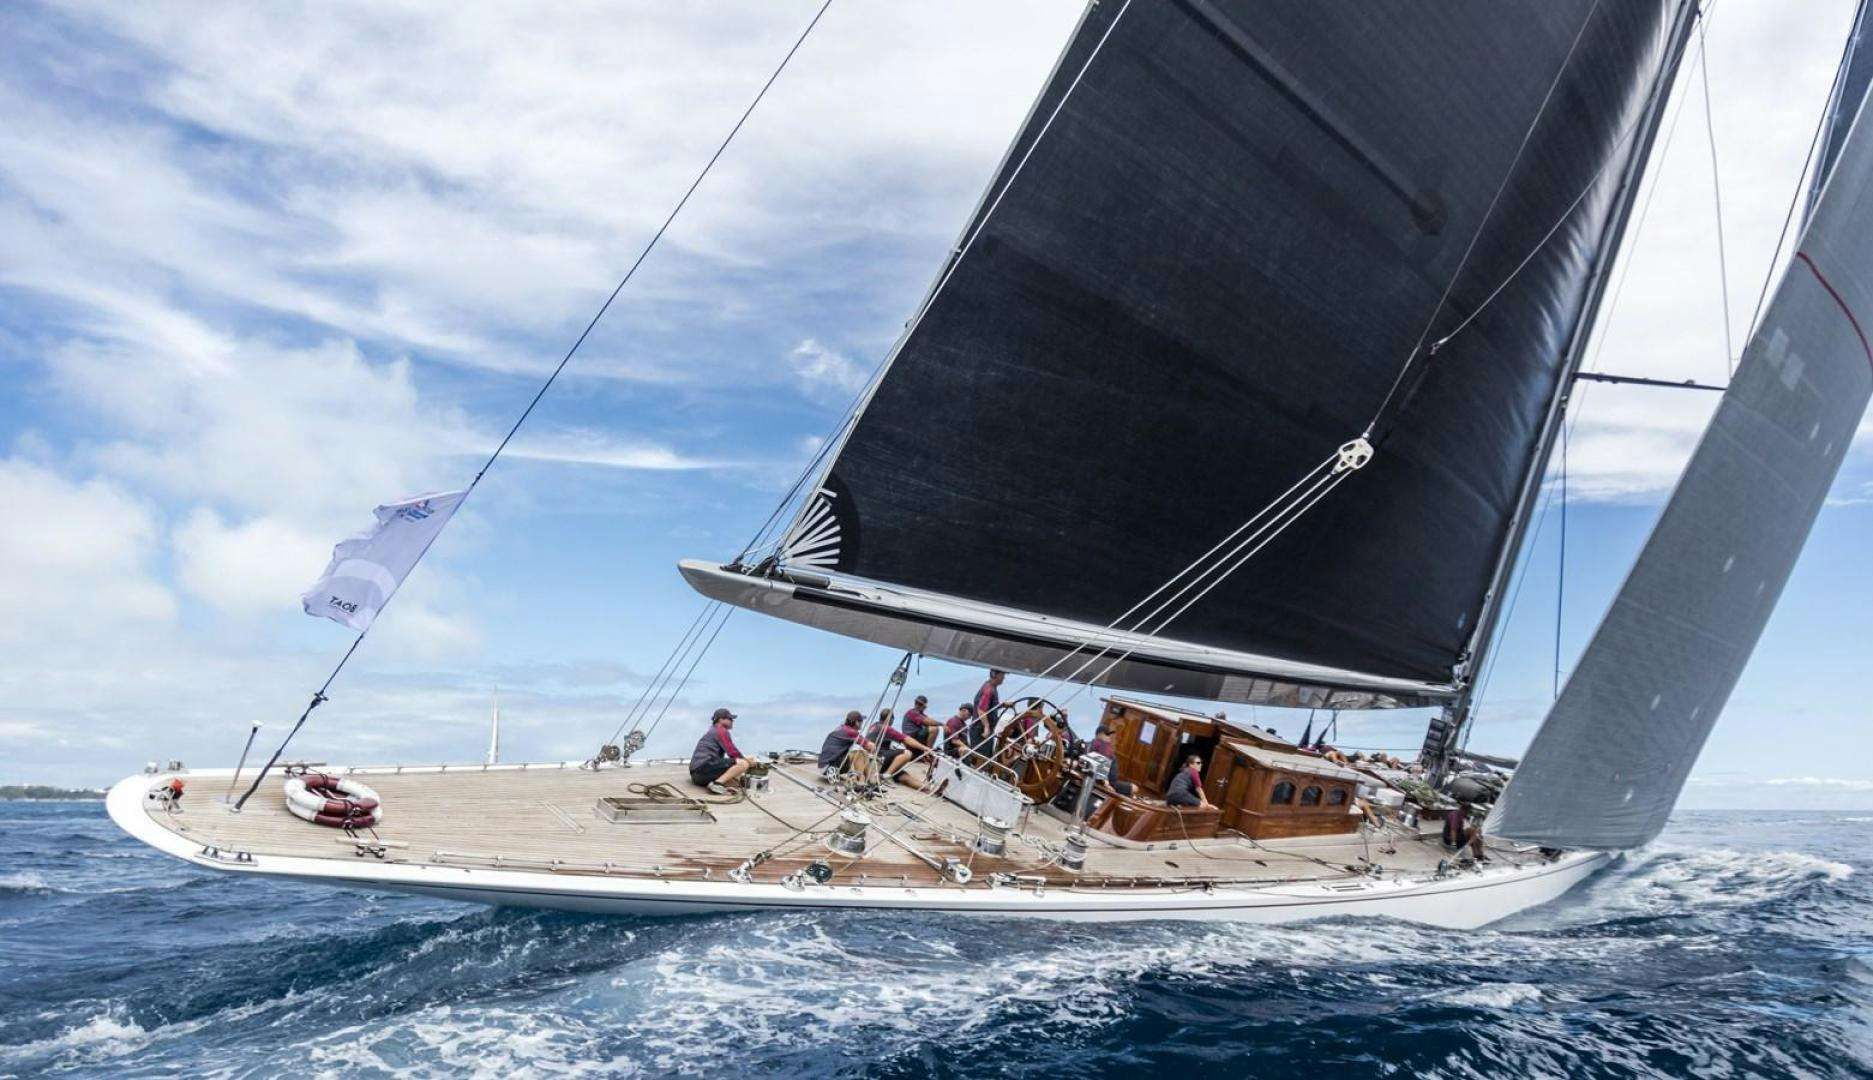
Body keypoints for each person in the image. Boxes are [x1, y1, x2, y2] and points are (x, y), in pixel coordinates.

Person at [689, 708, 755, 794]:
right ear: (721, 719)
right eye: (730, 719)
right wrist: (748, 762)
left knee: (734, 781)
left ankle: (718, 784)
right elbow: (733, 753)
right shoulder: (721, 730)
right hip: (702, 769)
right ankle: (717, 784)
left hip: (697, 776)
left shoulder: (713, 730)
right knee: (743, 763)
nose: (732, 721)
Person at [866, 707, 932, 785]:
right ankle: (886, 776)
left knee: (903, 776)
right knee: (907, 753)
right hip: (879, 759)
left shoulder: (874, 726)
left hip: (872, 760)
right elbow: (907, 739)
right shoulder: (886, 728)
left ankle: (928, 788)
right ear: (890, 719)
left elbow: (897, 739)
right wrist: (925, 748)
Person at [1087, 722, 1133, 797]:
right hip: (1109, 782)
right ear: (1099, 734)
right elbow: (1100, 767)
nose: (1110, 737)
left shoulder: (1092, 744)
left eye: (1109, 735)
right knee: (1134, 788)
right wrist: (1106, 784)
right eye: (1107, 735)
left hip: (1108, 781)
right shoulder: (1102, 746)